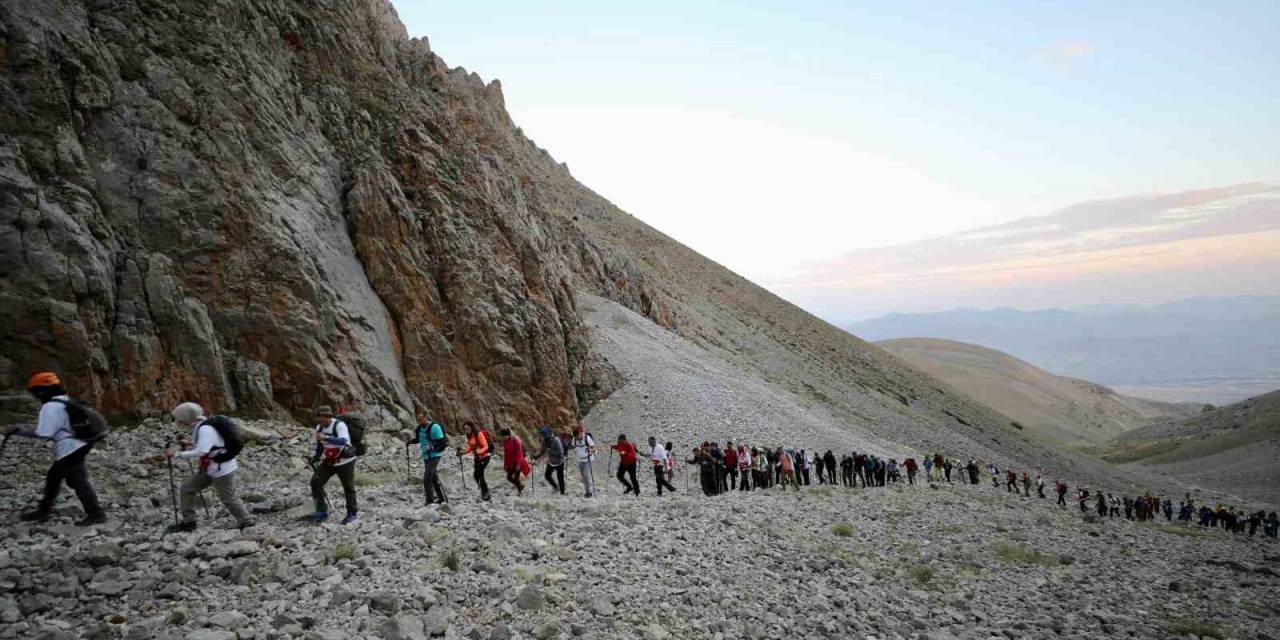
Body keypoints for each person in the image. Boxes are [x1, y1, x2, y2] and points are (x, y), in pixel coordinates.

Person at [4, 372, 107, 526]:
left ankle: (96, 513)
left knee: (78, 480)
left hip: (69, 448)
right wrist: (22, 427)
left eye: (35, 392)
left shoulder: (49, 407)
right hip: (82, 442)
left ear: (41, 391)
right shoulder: (65, 400)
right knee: (54, 476)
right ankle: (44, 509)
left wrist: (18, 431)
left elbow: (44, 433)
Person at [165, 403, 254, 532]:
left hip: (221, 469)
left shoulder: (204, 429)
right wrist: (190, 443)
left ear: (186, 418)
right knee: (187, 488)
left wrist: (177, 454)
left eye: (180, 419)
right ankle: (189, 522)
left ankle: (247, 522)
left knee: (228, 497)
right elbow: (211, 443)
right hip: (211, 467)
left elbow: (202, 451)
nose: (179, 422)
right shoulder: (203, 424)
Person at [309, 406, 358, 524]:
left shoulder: (340, 425)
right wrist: (316, 457)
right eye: (317, 419)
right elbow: (321, 445)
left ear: (327, 417)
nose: (318, 421)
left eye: (320, 418)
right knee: (315, 482)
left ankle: (352, 513)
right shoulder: (319, 427)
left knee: (348, 487)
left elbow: (343, 441)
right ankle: (321, 510)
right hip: (330, 460)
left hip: (345, 461)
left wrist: (326, 437)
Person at [416, 413, 448, 505]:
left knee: (427, 477)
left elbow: (442, 444)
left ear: (427, 418)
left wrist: (432, 448)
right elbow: (419, 439)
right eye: (418, 420)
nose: (420, 422)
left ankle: (429, 501)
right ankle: (443, 498)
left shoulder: (435, 428)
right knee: (433, 477)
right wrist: (410, 442)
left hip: (435, 455)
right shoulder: (420, 428)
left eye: (421, 419)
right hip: (426, 456)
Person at [459, 422, 495, 501]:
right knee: (476, 475)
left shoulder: (479, 434)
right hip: (477, 458)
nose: (466, 431)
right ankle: (483, 488)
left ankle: (486, 493)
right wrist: (462, 453)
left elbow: (486, 446)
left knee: (480, 473)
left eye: (468, 429)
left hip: (485, 456)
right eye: (465, 429)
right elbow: (471, 447)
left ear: (472, 428)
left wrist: (480, 451)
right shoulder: (469, 436)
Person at [536, 427, 566, 495]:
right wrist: (535, 457)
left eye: (542, 435)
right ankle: (556, 487)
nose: (541, 437)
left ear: (546, 435)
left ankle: (562, 493)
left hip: (559, 462)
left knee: (560, 478)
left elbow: (560, 453)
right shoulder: (545, 441)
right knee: (547, 475)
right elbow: (542, 451)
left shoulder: (556, 440)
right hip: (551, 462)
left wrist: (550, 451)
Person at [570, 424, 595, 498]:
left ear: (581, 433)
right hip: (580, 459)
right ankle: (587, 490)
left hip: (588, 459)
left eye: (578, 436)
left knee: (585, 475)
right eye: (575, 437)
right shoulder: (574, 439)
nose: (577, 438)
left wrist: (590, 450)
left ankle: (589, 492)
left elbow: (593, 448)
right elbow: (572, 446)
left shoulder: (587, 438)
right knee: (583, 476)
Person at [501, 428, 528, 495]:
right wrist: (505, 464)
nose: (504, 438)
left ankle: (520, 492)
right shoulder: (505, 442)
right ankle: (520, 486)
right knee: (509, 477)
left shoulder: (515, 441)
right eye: (503, 436)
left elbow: (519, 453)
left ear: (508, 435)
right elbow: (506, 454)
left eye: (504, 436)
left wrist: (518, 464)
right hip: (511, 463)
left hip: (518, 462)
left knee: (516, 478)